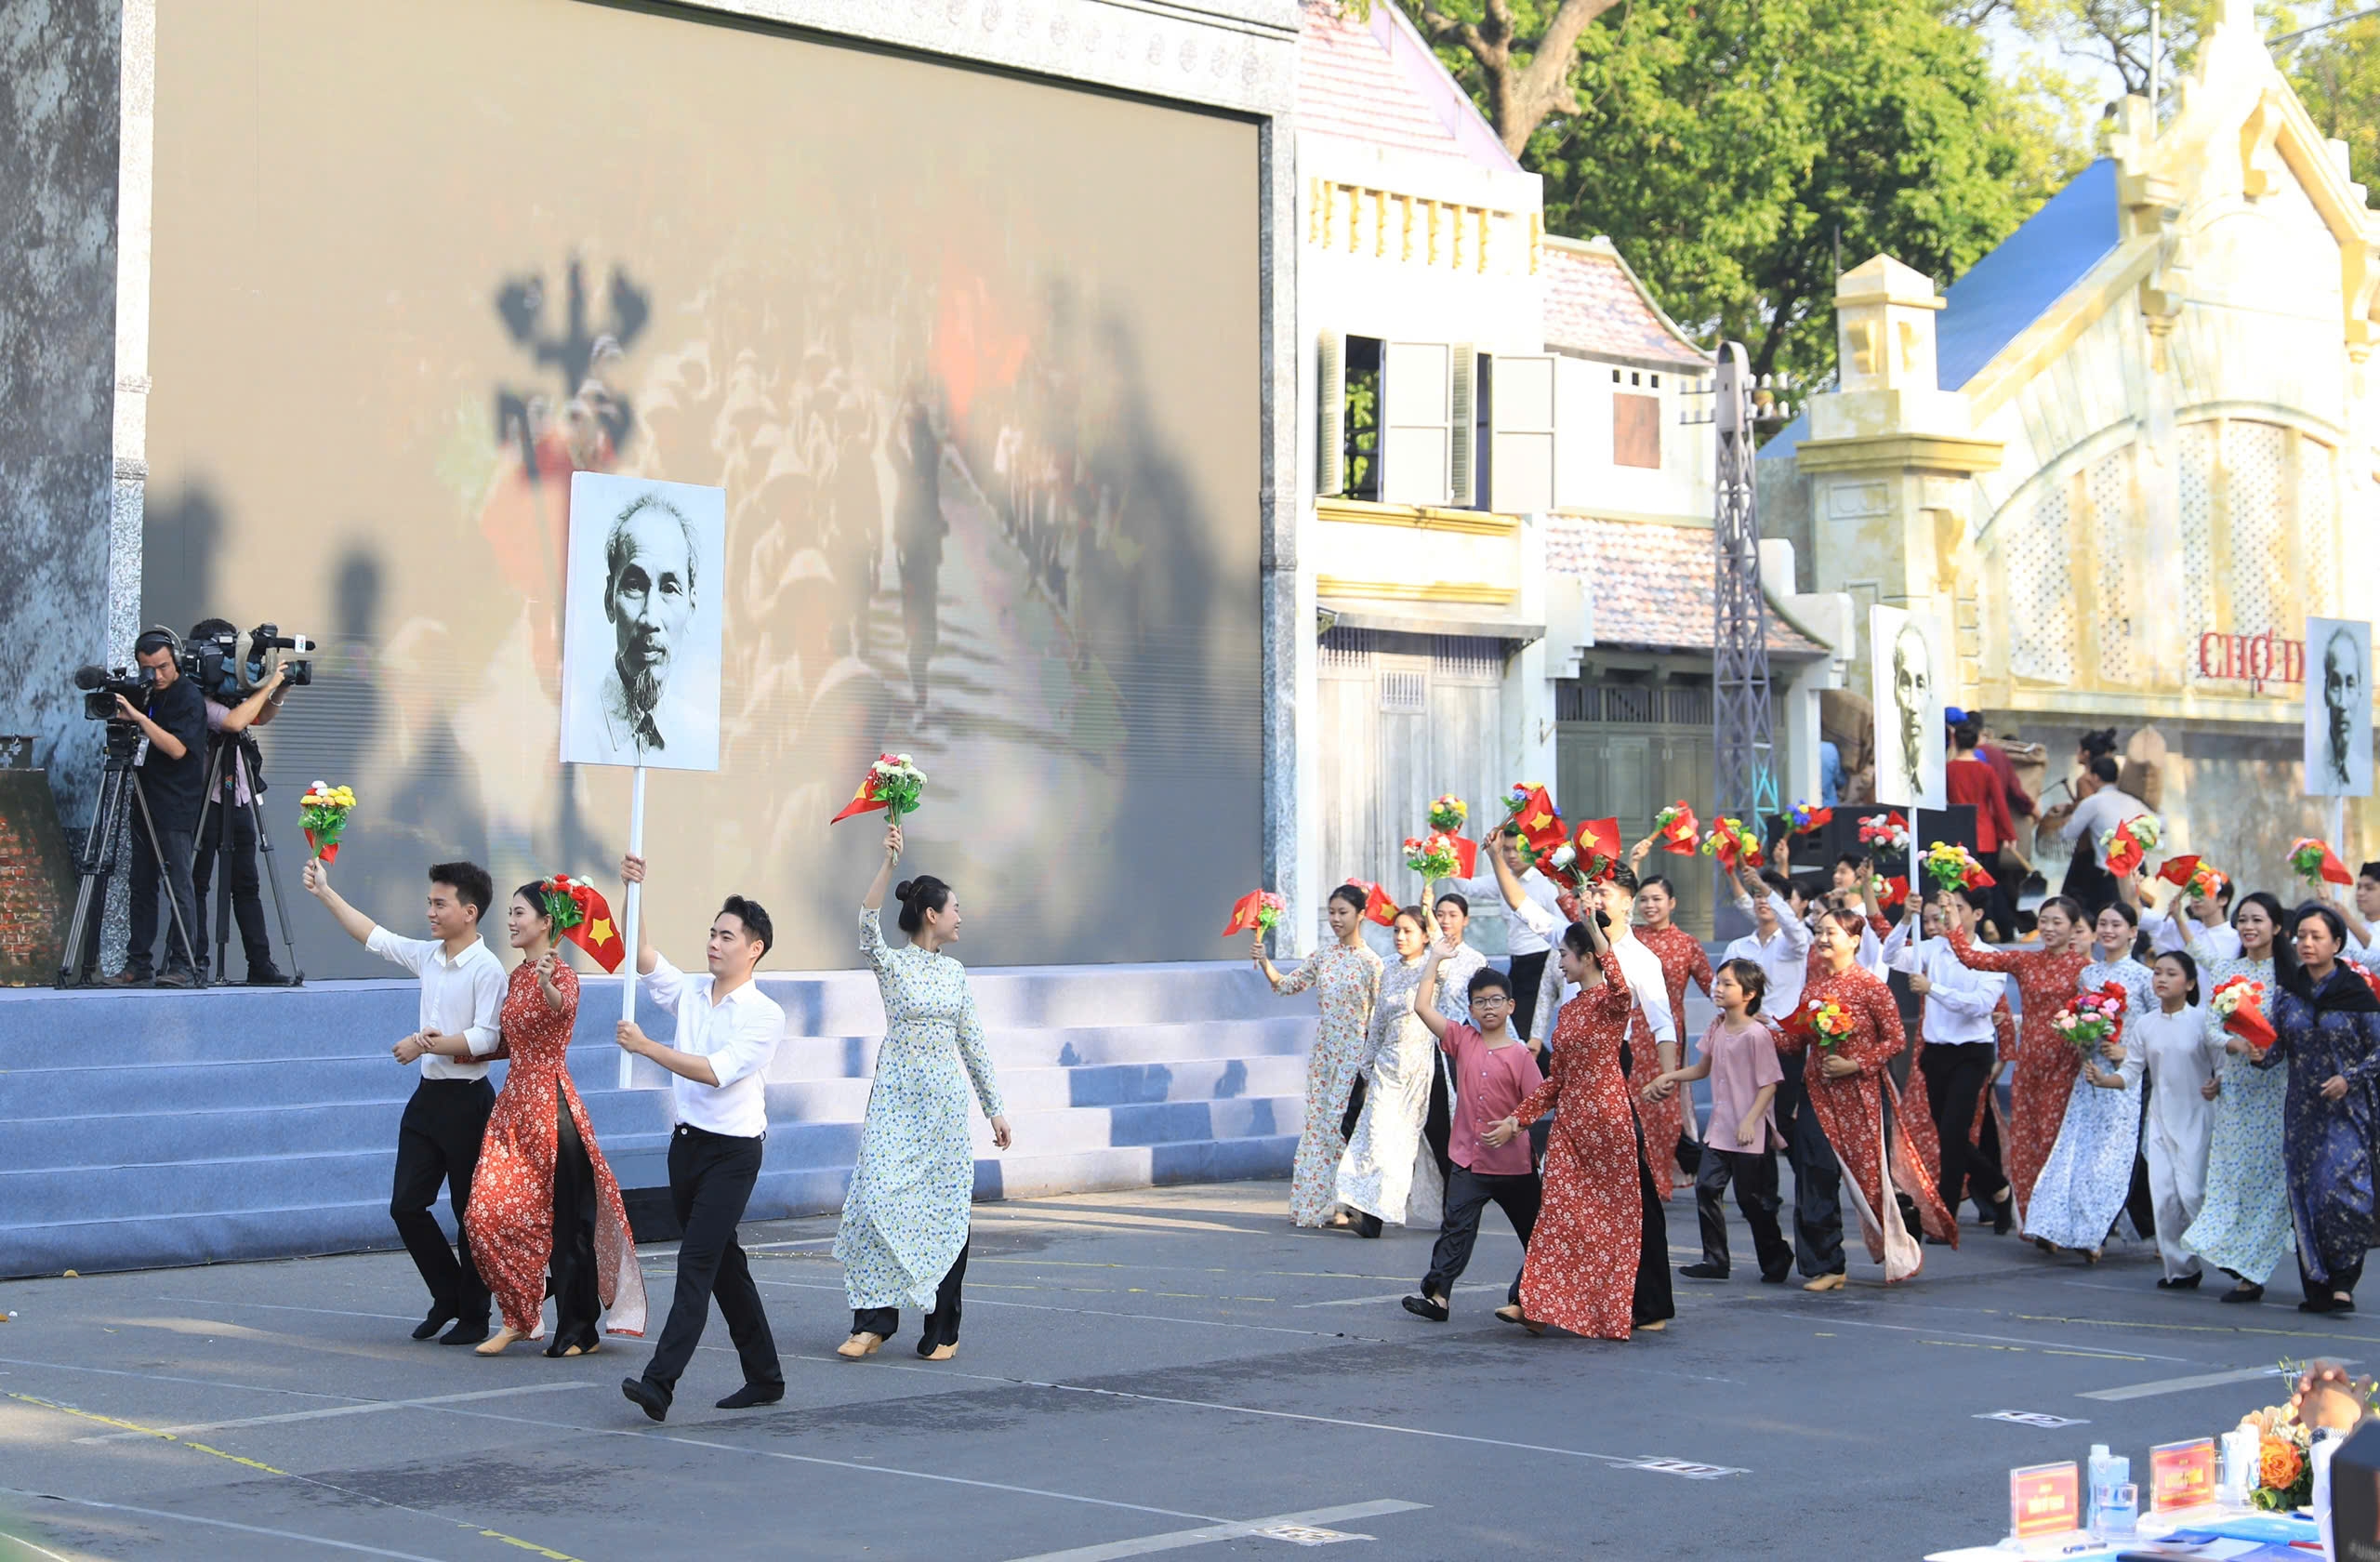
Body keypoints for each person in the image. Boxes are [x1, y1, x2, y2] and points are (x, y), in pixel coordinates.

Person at [301, 856, 505, 1344]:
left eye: (440, 903)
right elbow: (373, 935)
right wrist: (326, 892)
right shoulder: (428, 955)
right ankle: (449, 1294)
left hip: (470, 1102)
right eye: (430, 902)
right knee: (406, 1206)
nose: (431, 912)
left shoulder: (487, 968)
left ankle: (475, 1314)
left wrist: (425, 1043)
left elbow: (486, 1038)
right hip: (428, 1099)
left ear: (470, 912)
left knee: (467, 1213)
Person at [614, 854, 786, 1421]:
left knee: (696, 1265)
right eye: (711, 933)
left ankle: (660, 1384)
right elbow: (640, 957)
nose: (714, 943)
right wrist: (632, 892)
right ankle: (765, 1375)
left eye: (726, 936)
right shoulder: (690, 991)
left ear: (753, 947)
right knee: (725, 1267)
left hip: (734, 1154)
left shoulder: (764, 1014)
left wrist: (647, 1048)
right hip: (686, 1145)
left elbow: (715, 1069)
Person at [837, 822, 1012, 1359]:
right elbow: (867, 926)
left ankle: (944, 1328)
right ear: (931, 915)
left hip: (944, 1108)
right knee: (874, 1200)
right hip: (896, 1101)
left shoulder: (955, 973)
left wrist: (995, 1109)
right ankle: (872, 1322)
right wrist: (889, 861)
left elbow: (974, 1044)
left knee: (946, 1210)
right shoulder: (893, 965)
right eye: (955, 907)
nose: (962, 915)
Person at [462, 883, 645, 1356]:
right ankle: (520, 1314)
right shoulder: (515, 975)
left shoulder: (559, 974)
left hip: (551, 1106)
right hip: (512, 1108)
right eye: (510, 912)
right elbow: (507, 1040)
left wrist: (547, 983)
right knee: (484, 1214)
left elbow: (560, 1011)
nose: (511, 921)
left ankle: (578, 1330)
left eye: (519, 912)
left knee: (568, 1224)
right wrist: (453, 1049)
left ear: (547, 923)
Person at [1488, 911, 1674, 1339]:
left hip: (1608, 1121)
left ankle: (1614, 1308)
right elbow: (1557, 1079)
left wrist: (1594, 925)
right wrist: (1517, 1120)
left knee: (1614, 1220)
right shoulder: (1569, 1011)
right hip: (1571, 1122)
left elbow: (1622, 983)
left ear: (1588, 958)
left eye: (1565, 956)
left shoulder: (1612, 1003)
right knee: (1557, 1211)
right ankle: (1534, 1303)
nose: (1559, 964)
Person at [1777, 909, 1952, 1290]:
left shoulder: (1872, 987)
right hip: (1818, 1096)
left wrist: (1855, 1064)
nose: (1822, 939)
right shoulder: (1812, 989)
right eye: (1819, 932)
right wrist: (1755, 1024)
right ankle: (1827, 1265)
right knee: (1813, 1174)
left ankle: (1903, 1237)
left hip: (1862, 1098)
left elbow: (1895, 1040)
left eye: (1831, 933)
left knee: (1870, 1180)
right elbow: (1796, 1043)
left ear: (1855, 940)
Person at [1403, 952, 1542, 1323]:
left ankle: (1527, 1300)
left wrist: (1515, 1124)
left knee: (1537, 1235)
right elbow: (1421, 1006)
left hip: (1515, 1167)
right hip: (1468, 1159)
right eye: (1480, 1002)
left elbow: (1539, 1101)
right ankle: (1438, 1297)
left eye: (1496, 1000)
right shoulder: (1462, 1039)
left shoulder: (1521, 1056)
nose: (1489, 1007)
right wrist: (1434, 961)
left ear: (1511, 1006)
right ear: (1472, 1009)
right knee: (1456, 1229)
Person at [2254, 905, 2380, 1314]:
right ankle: (2319, 1286)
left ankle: (2344, 1278)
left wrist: (2350, 1078)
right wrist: (2257, 1052)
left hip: (2348, 1110)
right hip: (2302, 1112)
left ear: (2337, 944)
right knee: (2307, 1196)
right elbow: (2277, 1048)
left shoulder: (2357, 994)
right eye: (2301, 936)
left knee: (2343, 1193)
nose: (2306, 944)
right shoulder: (2287, 991)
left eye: (2317, 937)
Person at [1943, 896, 2093, 1228]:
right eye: (2045, 920)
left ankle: (2063, 1222)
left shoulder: (2085, 971)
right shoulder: (2025, 961)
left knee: (2055, 1143)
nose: (2049, 928)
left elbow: (2099, 1015)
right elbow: (1970, 957)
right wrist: (1953, 917)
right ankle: (2035, 1220)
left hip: (2065, 1065)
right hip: (2029, 1065)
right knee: (2026, 1142)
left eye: (2058, 922)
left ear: (2073, 929)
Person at [2181, 892, 2296, 1303]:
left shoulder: (2292, 975)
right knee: (2233, 1178)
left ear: (2277, 927)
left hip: (2280, 1089)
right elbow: (2212, 1028)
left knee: (2270, 1181)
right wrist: (2234, 1046)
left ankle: (2252, 1270)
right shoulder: (2229, 970)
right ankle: (2236, 1253)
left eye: (2257, 920)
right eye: (2243, 920)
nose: (2248, 927)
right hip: (2238, 1090)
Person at [1879, 886, 2011, 1236]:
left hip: (1972, 1053)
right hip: (1936, 1053)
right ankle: (1998, 1185)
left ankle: (1945, 1215)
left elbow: (1980, 1004)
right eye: (1943, 909)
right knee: (1948, 1134)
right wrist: (1907, 919)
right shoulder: (1934, 947)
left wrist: (1933, 989)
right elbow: (1890, 956)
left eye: (1956, 907)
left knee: (1954, 1133)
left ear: (1977, 914)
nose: (1947, 914)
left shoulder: (1991, 956)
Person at [1653, 960, 1792, 1284]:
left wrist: (1750, 1121)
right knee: (1706, 1187)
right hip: (1720, 1128)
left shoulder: (1757, 1035)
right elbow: (1703, 1068)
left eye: (1728, 984)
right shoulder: (1717, 1027)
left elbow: (1770, 1083)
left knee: (1750, 1200)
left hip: (1748, 1131)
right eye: (1719, 981)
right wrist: (1669, 1076)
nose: (1719, 988)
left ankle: (1777, 1254)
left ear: (1749, 993)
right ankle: (1715, 1259)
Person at [2022, 914, 2148, 1261]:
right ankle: (2057, 1226)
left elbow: (2160, 1027)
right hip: (2088, 1074)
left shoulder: (2145, 978)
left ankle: (2094, 1234)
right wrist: (2078, 1039)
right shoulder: (2089, 974)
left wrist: (2130, 1052)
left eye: (2117, 925)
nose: (2109, 931)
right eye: (2103, 924)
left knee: (2108, 1160)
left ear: (2132, 932)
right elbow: (2077, 1015)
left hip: (2126, 1082)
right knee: (2073, 1153)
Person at [1256, 884, 1382, 1228]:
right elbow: (1286, 985)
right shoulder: (1324, 956)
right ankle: (1315, 1204)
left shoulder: (1372, 963)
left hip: (1356, 1053)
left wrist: (1371, 1063)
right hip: (1326, 1052)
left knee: (1343, 1127)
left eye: (1343, 913)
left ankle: (1347, 1205)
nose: (1336, 919)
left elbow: (1380, 1015)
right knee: (1318, 1126)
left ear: (1361, 915)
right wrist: (1265, 960)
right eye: (1332, 912)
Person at [566, 492, 716, 765]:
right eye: (634, 585)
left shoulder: (704, 743)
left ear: (691, 604)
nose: (650, 618)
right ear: (609, 599)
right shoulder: (569, 731)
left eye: (669, 589)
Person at [1335, 907, 1446, 1238]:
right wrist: (1365, 1067)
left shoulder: (1434, 968)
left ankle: (1385, 1209)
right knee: (1376, 1136)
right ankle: (1370, 1212)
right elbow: (1378, 1022)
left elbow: (1447, 958)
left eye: (1409, 931)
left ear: (1425, 936)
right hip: (1385, 1067)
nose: (1400, 937)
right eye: (1397, 930)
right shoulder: (1388, 969)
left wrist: (1431, 908)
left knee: (1402, 1142)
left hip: (1416, 1069)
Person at [188, 631, 292, 986]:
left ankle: (260, 964)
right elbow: (233, 722)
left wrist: (280, 689)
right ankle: (196, 961)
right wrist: (270, 683)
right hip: (206, 800)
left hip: (239, 797)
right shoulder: (196, 698)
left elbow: (257, 718)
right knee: (197, 883)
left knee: (246, 885)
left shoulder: (234, 696)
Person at [108, 628, 209, 987]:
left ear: (176, 661)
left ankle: (185, 964)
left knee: (178, 884)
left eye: (164, 667)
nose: (158, 675)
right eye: (149, 669)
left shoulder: (187, 697)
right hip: (144, 799)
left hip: (176, 804)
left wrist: (139, 718)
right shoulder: (145, 691)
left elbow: (177, 749)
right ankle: (139, 963)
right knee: (141, 884)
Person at [1624, 847, 1716, 1199]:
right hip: (1631, 1032)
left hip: (1666, 1038)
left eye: (1657, 899)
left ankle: (1660, 1181)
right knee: (1632, 1107)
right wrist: (1631, 865)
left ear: (1672, 903)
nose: (1650, 906)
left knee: (1663, 1111)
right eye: (1644, 899)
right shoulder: (1630, 938)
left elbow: (1711, 986)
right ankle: (1636, 1180)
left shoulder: (1687, 945)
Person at [2135, 950, 2218, 1290]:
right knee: (2165, 1195)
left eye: (2171, 973)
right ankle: (2181, 1269)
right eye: (2157, 972)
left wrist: (2220, 1082)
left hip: (2197, 1115)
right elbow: (2131, 1071)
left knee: (2193, 1193)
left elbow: (2223, 1063)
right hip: (2160, 1116)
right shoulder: (2145, 1023)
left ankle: (2230, 1256)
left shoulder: (2203, 1021)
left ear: (2191, 983)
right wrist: (2103, 1077)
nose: (2162, 979)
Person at [1448, 827, 1564, 1040]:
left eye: (1517, 850)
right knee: (1515, 1030)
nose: (1511, 855)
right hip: (1517, 962)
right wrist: (1447, 850)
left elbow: (1562, 925)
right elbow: (1470, 887)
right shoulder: (1503, 878)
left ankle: (1540, 1072)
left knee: (1525, 1033)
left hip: (1542, 961)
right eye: (1507, 849)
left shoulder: (1544, 882)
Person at [1423, 894, 1488, 1179]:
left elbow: (1484, 1006)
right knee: (1432, 1122)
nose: (1445, 920)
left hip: (1457, 1049)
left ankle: (1461, 1185)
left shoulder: (1475, 959)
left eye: (1452, 915)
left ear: (1466, 920)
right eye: (1440, 914)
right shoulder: (1425, 955)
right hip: (1424, 1046)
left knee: (1457, 1118)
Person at [2043, 754, 2152, 918]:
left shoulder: (2093, 802)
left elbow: (2068, 833)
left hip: (2109, 873)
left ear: (2095, 777)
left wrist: (2064, 815)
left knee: (2109, 918)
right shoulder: (2133, 801)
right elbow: (2160, 824)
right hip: (2138, 870)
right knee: (2135, 916)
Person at [1945, 717, 2019, 938]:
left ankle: (1971, 928)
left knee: (1962, 886)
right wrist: (2008, 834)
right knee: (1990, 885)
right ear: (1977, 741)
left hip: (1959, 836)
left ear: (1955, 741)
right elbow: (1999, 804)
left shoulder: (1948, 770)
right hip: (1986, 836)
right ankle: (1998, 925)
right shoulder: (1986, 771)